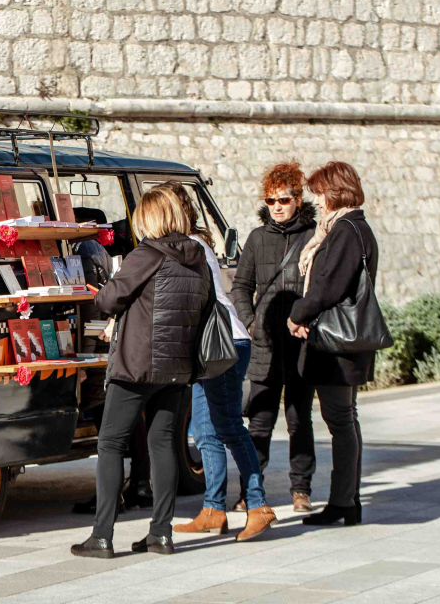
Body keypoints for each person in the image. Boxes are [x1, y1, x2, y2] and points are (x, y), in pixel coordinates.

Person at [71, 188, 213, 559]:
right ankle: (161, 534)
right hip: (178, 367)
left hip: (136, 365)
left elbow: (109, 299)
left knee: (111, 444)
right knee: (162, 443)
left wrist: (100, 291)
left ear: (149, 219)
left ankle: (102, 536)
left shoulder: (147, 254)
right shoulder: (198, 257)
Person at [156, 182, 277, 542]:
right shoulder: (189, 246)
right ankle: (213, 509)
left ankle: (258, 505)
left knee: (227, 428)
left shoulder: (190, 247)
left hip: (225, 344)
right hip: (211, 347)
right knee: (205, 432)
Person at [288, 162, 376, 526]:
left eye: (321, 193)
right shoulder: (355, 227)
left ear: (336, 191)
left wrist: (298, 313)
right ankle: (346, 500)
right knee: (344, 419)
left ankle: (344, 502)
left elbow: (329, 285)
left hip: (337, 341)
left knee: (339, 419)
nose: (318, 202)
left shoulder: (345, 230)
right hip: (344, 340)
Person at [230, 161, 319, 514]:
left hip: (302, 344)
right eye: (271, 200)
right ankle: (250, 492)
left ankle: (302, 489)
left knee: (299, 419)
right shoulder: (256, 238)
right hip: (264, 344)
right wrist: (250, 323)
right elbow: (241, 286)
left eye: (284, 199)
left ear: (298, 198)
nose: (277, 206)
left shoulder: (314, 235)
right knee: (260, 422)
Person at [71, 207, 153, 515]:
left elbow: (95, 303)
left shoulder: (84, 249)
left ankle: (113, 493)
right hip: (108, 340)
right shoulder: (98, 249)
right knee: (128, 420)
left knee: (109, 424)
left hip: (95, 340)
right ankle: (139, 484)